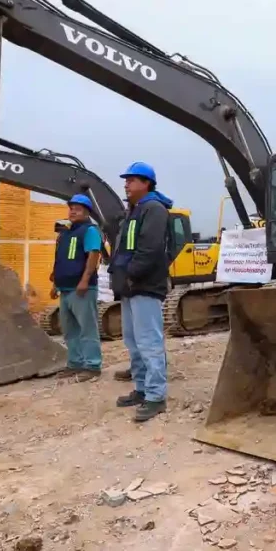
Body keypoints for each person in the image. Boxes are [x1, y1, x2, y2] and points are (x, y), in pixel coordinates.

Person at [108, 162, 174, 422]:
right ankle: (142, 389)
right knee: (133, 341)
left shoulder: (154, 210)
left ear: (146, 183)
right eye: (126, 180)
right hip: (129, 286)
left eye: (132, 180)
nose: (126, 184)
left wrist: (132, 274)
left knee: (149, 341)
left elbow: (149, 249)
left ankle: (156, 396)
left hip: (143, 284)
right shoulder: (134, 211)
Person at [49, 194, 104, 382]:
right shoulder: (66, 233)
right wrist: (55, 284)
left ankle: (92, 365)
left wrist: (85, 280)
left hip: (82, 289)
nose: (72, 211)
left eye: (77, 208)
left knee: (87, 328)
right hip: (65, 288)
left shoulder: (89, 231)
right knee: (69, 330)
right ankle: (75, 363)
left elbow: (93, 255)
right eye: (71, 207)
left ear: (87, 211)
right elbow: (60, 260)